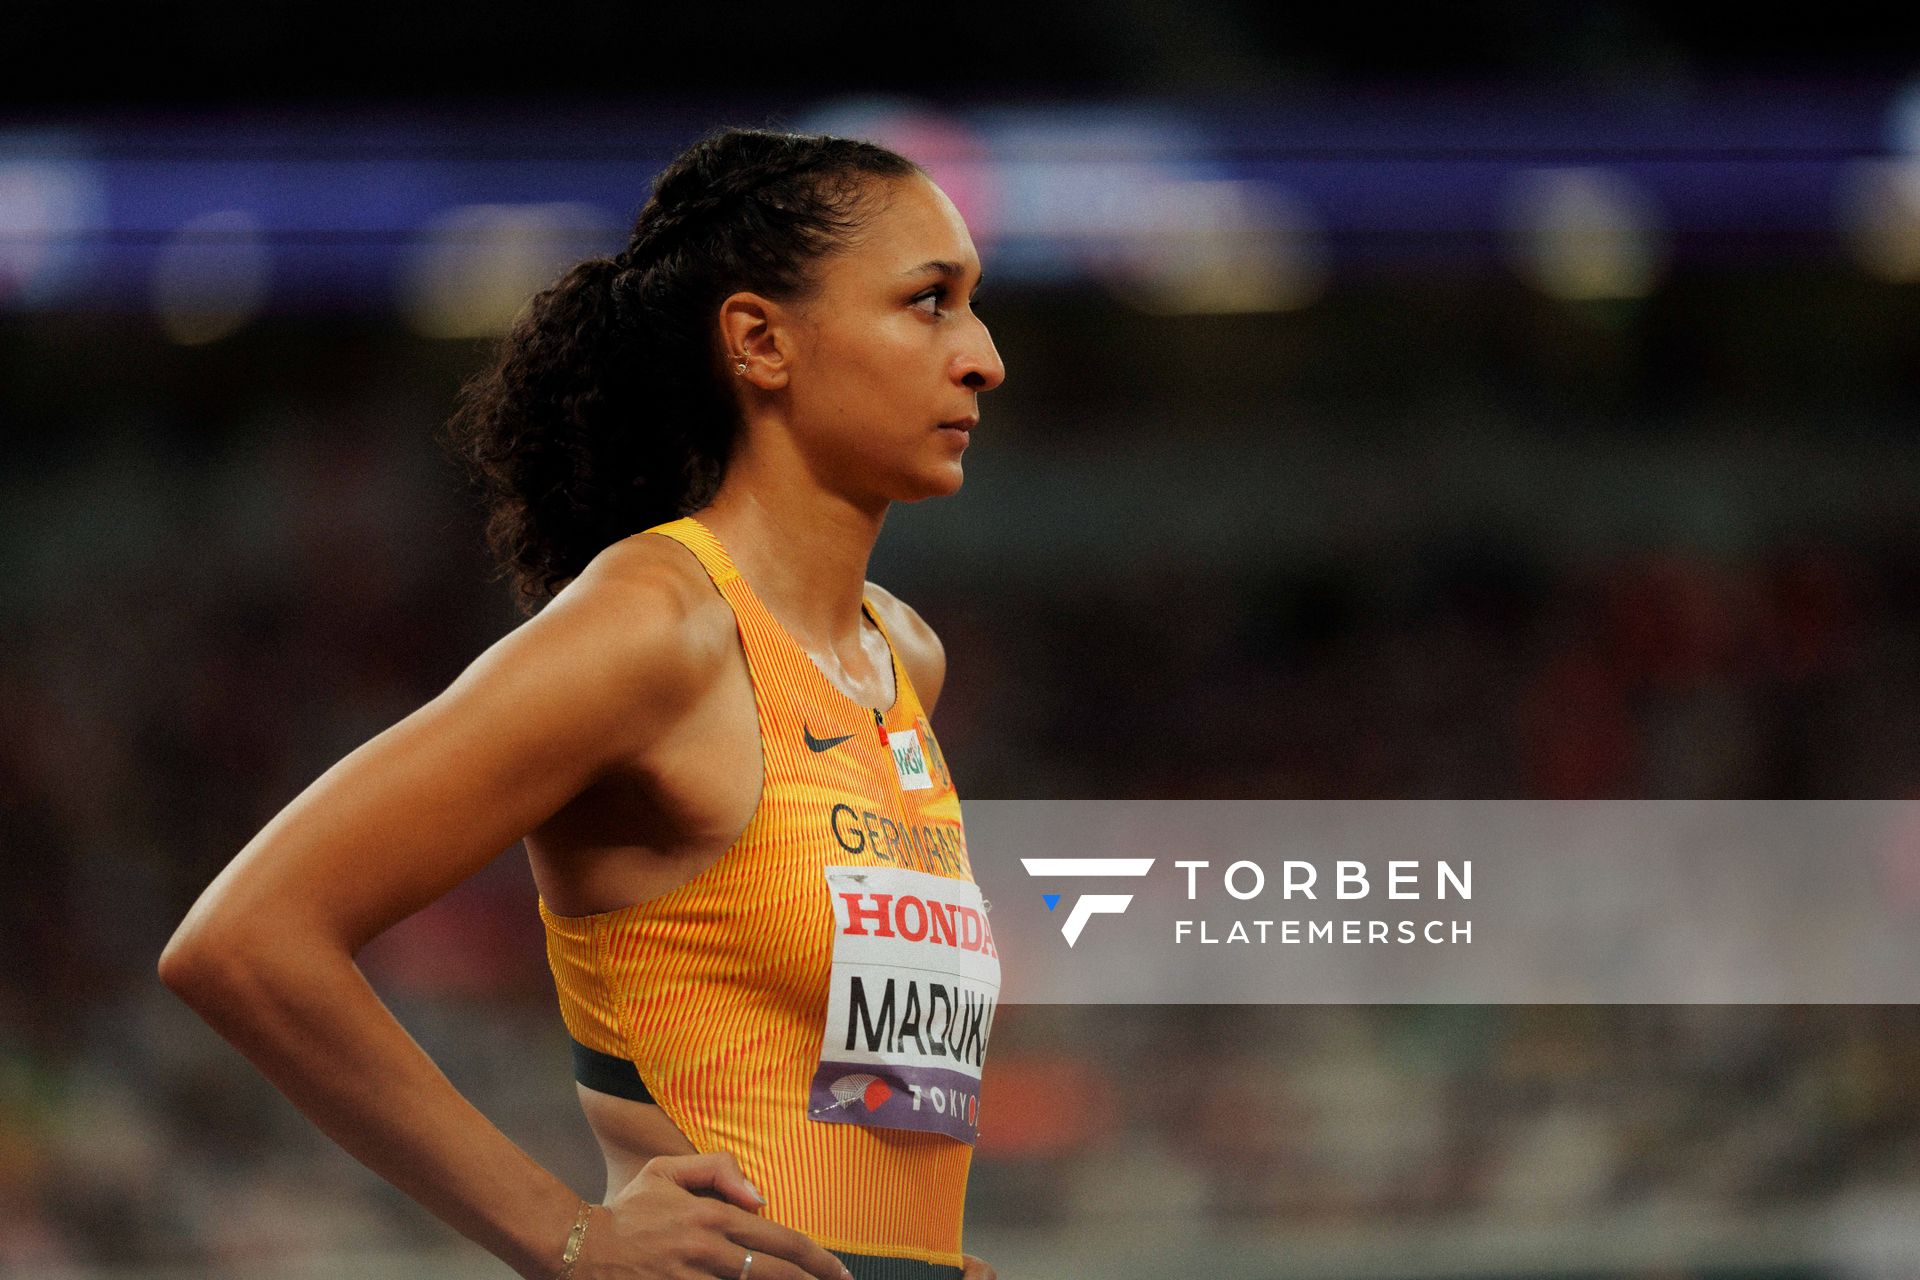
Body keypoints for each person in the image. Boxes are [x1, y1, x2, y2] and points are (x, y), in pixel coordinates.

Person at [159, 126, 1006, 1280]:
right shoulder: (656, 626)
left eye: (973, 303)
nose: (983, 356)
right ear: (761, 341)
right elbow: (245, 939)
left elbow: (863, 1091)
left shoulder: (904, 655)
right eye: (930, 301)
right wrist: (569, 1233)